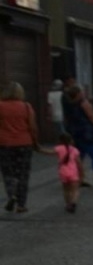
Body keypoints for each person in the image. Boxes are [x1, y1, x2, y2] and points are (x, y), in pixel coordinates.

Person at [0, 82, 40, 214]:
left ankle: (12, 194)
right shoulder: (26, 107)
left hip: (4, 144)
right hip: (24, 143)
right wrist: (35, 143)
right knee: (23, 174)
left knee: (8, 173)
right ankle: (21, 205)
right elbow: (32, 127)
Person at [64, 82, 93, 188]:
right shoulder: (84, 103)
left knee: (78, 156)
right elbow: (92, 117)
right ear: (78, 93)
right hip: (87, 133)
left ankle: (78, 178)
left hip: (74, 132)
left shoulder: (68, 104)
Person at [55, 133, 83, 213]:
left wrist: (38, 148)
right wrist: (82, 173)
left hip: (63, 172)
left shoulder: (59, 148)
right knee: (75, 190)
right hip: (73, 172)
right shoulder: (74, 150)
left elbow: (48, 152)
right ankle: (73, 203)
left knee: (66, 190)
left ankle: (68, 204)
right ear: (71, 141)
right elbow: (79, 163)